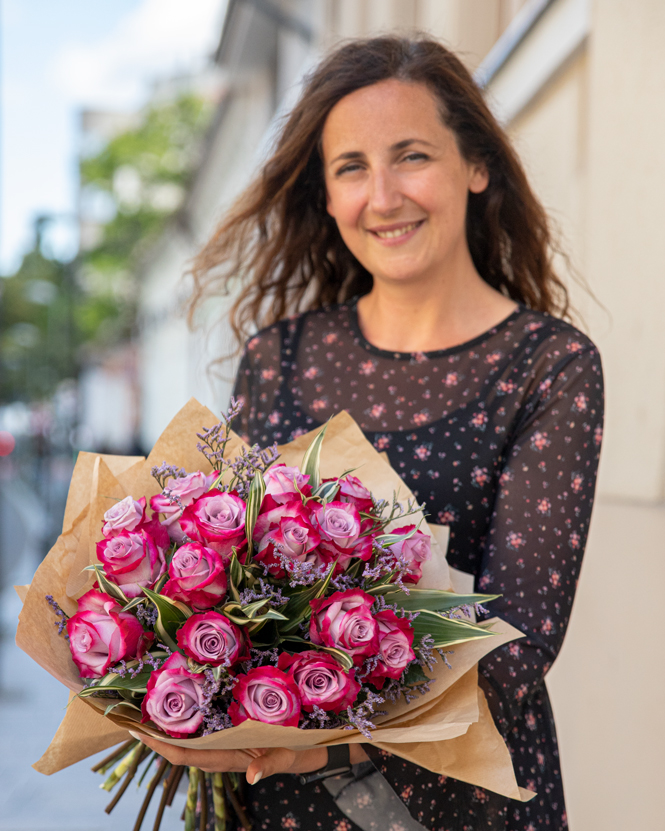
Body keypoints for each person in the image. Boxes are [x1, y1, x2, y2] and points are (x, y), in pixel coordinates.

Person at [140, 36, 603, 830]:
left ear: (475, 166)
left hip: (464, 800)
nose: (382, 195)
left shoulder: (547, 367)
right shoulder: (278, 359)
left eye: (411, 156)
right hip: (282, 803)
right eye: (351, 167)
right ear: (325, 195)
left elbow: (514, 644)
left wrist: (315, 747)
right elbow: (226, 579)